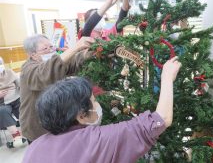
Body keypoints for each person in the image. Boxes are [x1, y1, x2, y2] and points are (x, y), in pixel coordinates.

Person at [22, 56, 181, 163]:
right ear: (81, 116)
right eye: (94, 100)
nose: (97, 104)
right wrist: (166, 77)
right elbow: (161, 120)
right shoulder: (97, 140)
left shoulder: (35, 147)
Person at [19, 34, 95, 143]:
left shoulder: (51, 64)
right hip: (36, 125)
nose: (50, 51)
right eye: (45, 49)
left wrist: (87, 53)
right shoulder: (28, 69)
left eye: (51, 47)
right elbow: (44, 74)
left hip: (55, 119)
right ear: (33, 55)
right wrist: (75, 47)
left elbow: (70, 63)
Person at [0, 57, 26, 148]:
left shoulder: (9, 72)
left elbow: (19, 83)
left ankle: (26, 132)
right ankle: (16, 136)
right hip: (2, 103)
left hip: (16, 98)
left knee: (23, 107)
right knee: (2, 111)